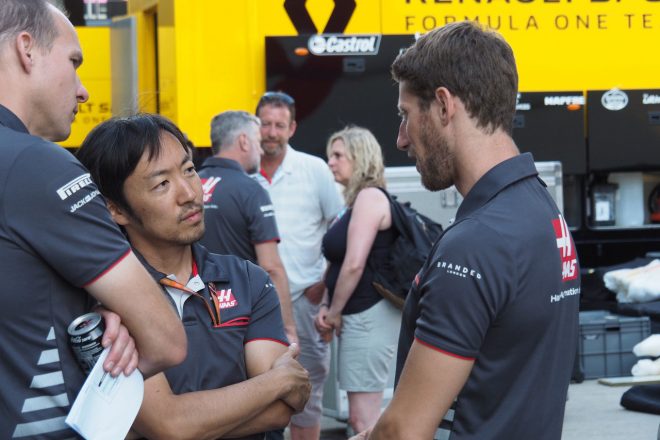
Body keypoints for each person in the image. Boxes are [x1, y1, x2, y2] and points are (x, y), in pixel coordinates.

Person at [354, 21, 580, 439]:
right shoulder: (542, 209)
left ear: (443, 105)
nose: (401, 139)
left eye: (406, 115)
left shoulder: (475, 243)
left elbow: (403, 431)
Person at [0, 1, 186, 437]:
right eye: (74, 62)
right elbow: (165, 341)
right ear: (27, 49)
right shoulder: (37, 165)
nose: (83, 91)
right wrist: (102, 326)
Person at [76, 113, 312, 440]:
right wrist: (277, 381)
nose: (189, 193)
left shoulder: (248, 280)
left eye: (189, 170)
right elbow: (169, 426)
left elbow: (281, 410)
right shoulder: (108, 302)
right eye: (162, 184)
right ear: (116, 209)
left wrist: (187, 423)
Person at [255, 91, 344, 440]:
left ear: (292, 128)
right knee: (258, 389)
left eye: (279, 125)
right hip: (256, 304)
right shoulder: (246, 172)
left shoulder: (313, 169)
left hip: (304, 300)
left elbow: (341, 229)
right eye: (265, 124)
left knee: (308, 393)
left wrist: (322, 284)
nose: (271, 133)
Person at [314, 126, 401, 433]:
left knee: (363, 419)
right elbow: (337, 264)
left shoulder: (370, 197)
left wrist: (333, 313)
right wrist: (327, 305)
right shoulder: (353, 203)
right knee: (360, 417)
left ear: (360, 157)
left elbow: (353, 265)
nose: (331, 162)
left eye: (338, 155)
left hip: (367, 316)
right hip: (357, 316)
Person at [199, 110, 297, 344]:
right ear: (244, 141)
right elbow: (271, 267)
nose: (261, 151)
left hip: (193, 308)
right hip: (240, 314)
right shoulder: (250, 190)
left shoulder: (190, 185)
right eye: (258, 142)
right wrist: (288, 328)